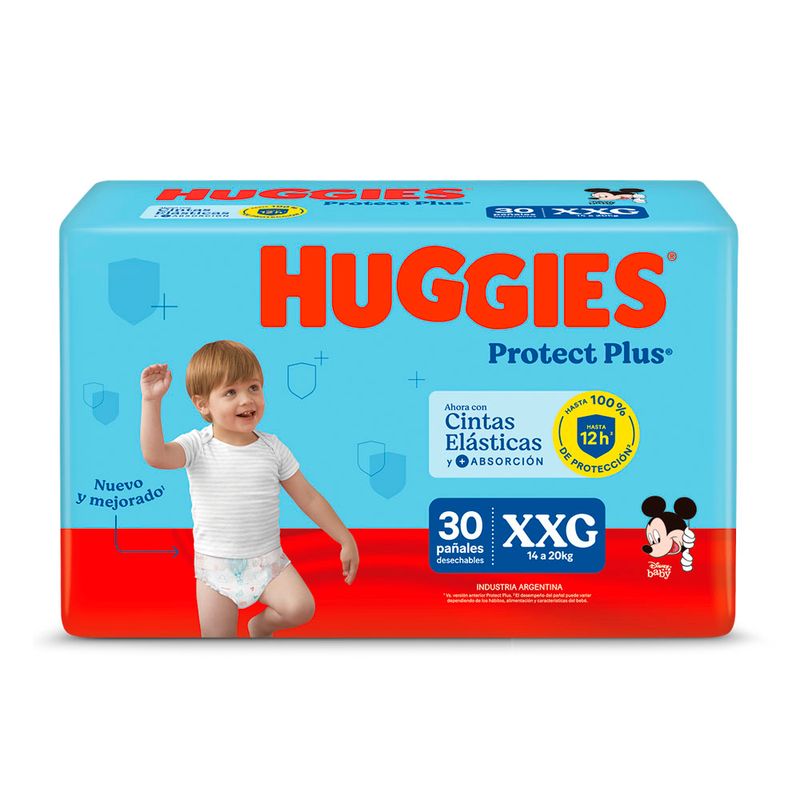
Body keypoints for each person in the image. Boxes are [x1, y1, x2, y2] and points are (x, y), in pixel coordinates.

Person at [139, 340, 359, 638]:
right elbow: (156, 456)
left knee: (300, 608)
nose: (246, 400)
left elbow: (308, 497)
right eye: (231, 392)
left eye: (253, 387)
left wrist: (344, 538)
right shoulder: (197, 445)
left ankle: (260, 626)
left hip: (267, 562)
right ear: (203, 404)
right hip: (215, 568)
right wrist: (151, 402)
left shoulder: (273, 447)